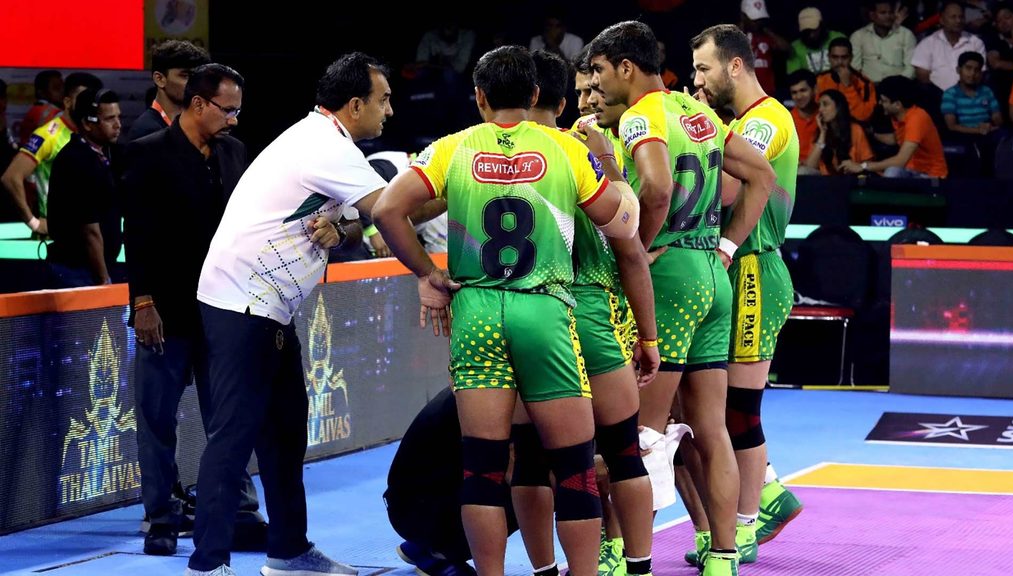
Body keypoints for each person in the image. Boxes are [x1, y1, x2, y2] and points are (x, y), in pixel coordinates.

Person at [373, 44, 647, 576]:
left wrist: (427, 273)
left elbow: (387, 208)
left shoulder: (451, 148)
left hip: (475, 311)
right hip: (542, 309)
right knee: (572, 469)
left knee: (482, 468)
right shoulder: (566, 151)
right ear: (538, 95)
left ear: (478, 96)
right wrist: (613, 175)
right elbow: (621, 227)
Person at [187, 52, 393, 576]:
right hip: (242, 306)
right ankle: (208, 565)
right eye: (383, 100)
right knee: (232, 440)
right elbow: (393, 210)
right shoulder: (324, 146)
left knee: (284, 435)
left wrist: (344, 228)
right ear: (354, 105)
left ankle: (289, 552)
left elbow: (346, 221)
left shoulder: (327, 142)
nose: (389, 111)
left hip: (271, 310)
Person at [588, 20, 776, 576]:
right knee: (710, 428)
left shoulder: (643, 114)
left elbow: (658, 187)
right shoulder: (698, 114)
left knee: (635, 436)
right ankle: (722, 557)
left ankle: (621, 556)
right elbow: (760, 178)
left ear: (626, 67)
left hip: (668, 278)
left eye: (600, 72)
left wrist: (638, 252)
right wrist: (723, 247)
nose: (596, 85)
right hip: (712, 278)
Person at [509, 48, 658, 576]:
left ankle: (546, 571)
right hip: (591, 310)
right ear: (559, 97)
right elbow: (630, 242)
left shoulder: (482, 151)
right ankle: (636, 566)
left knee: (530, 458)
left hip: (524, 313)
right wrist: (649, 337)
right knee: (621, 453)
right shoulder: (579, 151)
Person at [123, 63, 268, 558]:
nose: (234, 120)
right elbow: (137, 237)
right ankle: (161, 518)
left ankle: (238, 514)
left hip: (223, 310)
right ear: (199, 103)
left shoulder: (234, 153)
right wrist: (143, 302)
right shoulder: (147, 155)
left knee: (227, 418)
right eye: (228, 110)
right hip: (163, 311)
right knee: (157, 419)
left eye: (238, 111)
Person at [689, 22, 802, 568]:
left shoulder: (768, 121)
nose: (698, 81)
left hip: (754, 268)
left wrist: (696, 126)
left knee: (739, 412)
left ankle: (746, 526)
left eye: (704, 69)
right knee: (710, 410)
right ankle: (771, 494)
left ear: (736, 65)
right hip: (733, 271)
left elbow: (730, 187)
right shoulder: (740, 122)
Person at [384, 387, 518, 576]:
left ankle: (426, 546)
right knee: (536, 486)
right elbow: (517, 475)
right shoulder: (497, 400)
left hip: (408, 505)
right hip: (419, 513)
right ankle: (442, 553)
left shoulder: (481, 383)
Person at [2, 72, 102, 237]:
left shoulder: (92, 135)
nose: (88, 105)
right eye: (82, 99)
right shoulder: (48, 135)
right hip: (55, 238)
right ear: (68, 101)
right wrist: (33, 223)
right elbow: (11, 177)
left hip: (87, 235)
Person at [45, 89, 123, 287]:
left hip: (98, 268)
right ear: (88, 123)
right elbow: (90, 231)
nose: (118, 125)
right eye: (109, 119)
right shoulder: (76, 160)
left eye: (118, 117)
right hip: (77, 273)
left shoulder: (107, 154)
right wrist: (104, 280)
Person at [841, 75, 948, 178]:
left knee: (892, 172)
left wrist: (862, 166)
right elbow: (896, 139)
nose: (879, 103)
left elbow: (900, 161)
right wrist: (872, 134)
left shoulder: (917, 118)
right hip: (911, 170)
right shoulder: (898, 116)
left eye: (884, 101)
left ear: (897, 104)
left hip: (931, 176)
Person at [127, 39, 210, 141]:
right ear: (159, 79)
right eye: (185, 76)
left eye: (196, 76)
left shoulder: (195, 128)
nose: (194, 83)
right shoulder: (145, 132)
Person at [912, 1, 987, 92]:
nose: (958, 21)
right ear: (941, 20)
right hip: (935, 98)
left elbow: (980, 74)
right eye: (953, 17)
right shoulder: (927, 44)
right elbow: (922, 76)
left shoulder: (976, 43)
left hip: (968, 98)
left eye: (961, 17)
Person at [803, 89, 874, 174]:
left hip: (851, 179)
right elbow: (810, 167)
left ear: (838, 107)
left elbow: (868, 163)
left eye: (825, 104)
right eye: (819, 105)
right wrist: (822, 134)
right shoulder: (819, 132)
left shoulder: (855, 129)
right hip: (826, 181)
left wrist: (855, 166)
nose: (820, 109)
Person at [850, 0, 917, 82]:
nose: (888, 16)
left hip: (899, 88)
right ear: (872, 15)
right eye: (883, 13)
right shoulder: (858, 36)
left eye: (891, 12)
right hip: (869, 87)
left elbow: (911, 68)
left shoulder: (906, 35)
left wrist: (897, 84)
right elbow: (854, 69)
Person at [815, 37, 876, 123]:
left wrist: (848, 86)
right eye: (835, 57)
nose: (839, 62)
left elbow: (863, 116)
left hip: (853, 127)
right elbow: (814, 112)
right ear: (828, 57)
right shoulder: (819, 80)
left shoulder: (865, 83)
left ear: (851, 58)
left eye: (844, 57)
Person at [786, 7, 846, 75]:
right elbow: (795, 80)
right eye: (807, 31)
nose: (811, 35)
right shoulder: (795, 48)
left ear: (822, 25)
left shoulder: (838, 38)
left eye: (814, 30)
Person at [18, 70, 63, 146]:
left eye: (63, 87)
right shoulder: (56, 114)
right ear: (41, 93)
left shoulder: (33, 110)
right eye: (56, 88)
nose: (62, 91)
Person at [787, 70, 820, 169]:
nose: (799, 96)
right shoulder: (786, 120)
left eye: (803, 90)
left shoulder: (825, 115)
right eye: (794, 92)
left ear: (815, 89)